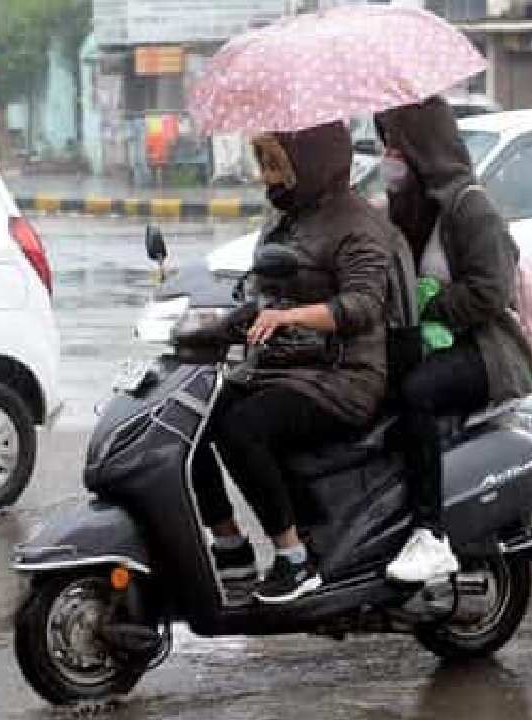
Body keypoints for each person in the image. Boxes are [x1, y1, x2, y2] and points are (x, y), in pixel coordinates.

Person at [191, 121, 401, 604]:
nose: (268, 179)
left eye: (276, 167)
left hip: (342, 376)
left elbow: (365, 305)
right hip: (286, 365)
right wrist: (214, 326)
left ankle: (294, 556)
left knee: (244, 429)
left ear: (311, 164)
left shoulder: (358, 224)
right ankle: (229, 545)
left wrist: (290, 317)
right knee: (193, 417)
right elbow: (265, 286)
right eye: (263, 166)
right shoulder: (289, 216)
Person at [375, 96, 532, 583]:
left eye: (397, 149)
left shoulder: (470, 206)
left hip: (485, 350)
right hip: (431, 341)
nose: (389, 160)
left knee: (417, 393)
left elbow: (492, 291)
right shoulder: (407, 210)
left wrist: (432, 304)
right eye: (386, 148)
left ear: (423, 149)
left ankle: (430, 533)